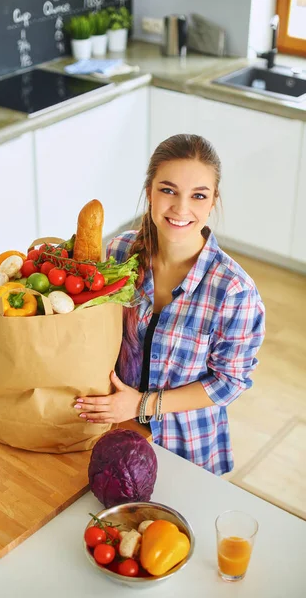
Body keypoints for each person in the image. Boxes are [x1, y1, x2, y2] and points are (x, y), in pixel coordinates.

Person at [75, 134, 266, 475]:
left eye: (198, 196)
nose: (181, 208)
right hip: (109, 434)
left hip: (185, 450)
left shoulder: (233, 290)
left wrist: (141, 403)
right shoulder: (118, 254)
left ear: (212, 201)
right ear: (149, 191)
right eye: (168, 190)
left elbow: (229, 382)